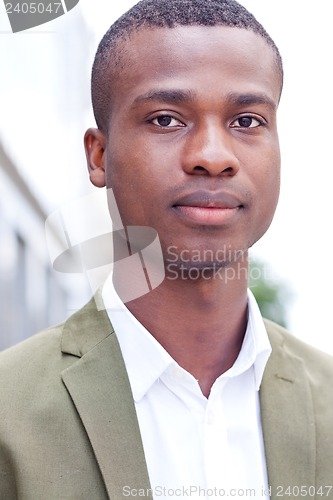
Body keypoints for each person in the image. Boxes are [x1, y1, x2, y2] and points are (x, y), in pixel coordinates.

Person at [1, 0, 333, 499]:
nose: (213, 157)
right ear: (99, 155)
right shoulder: (9, 413)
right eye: (164, 119)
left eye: (246, 121)